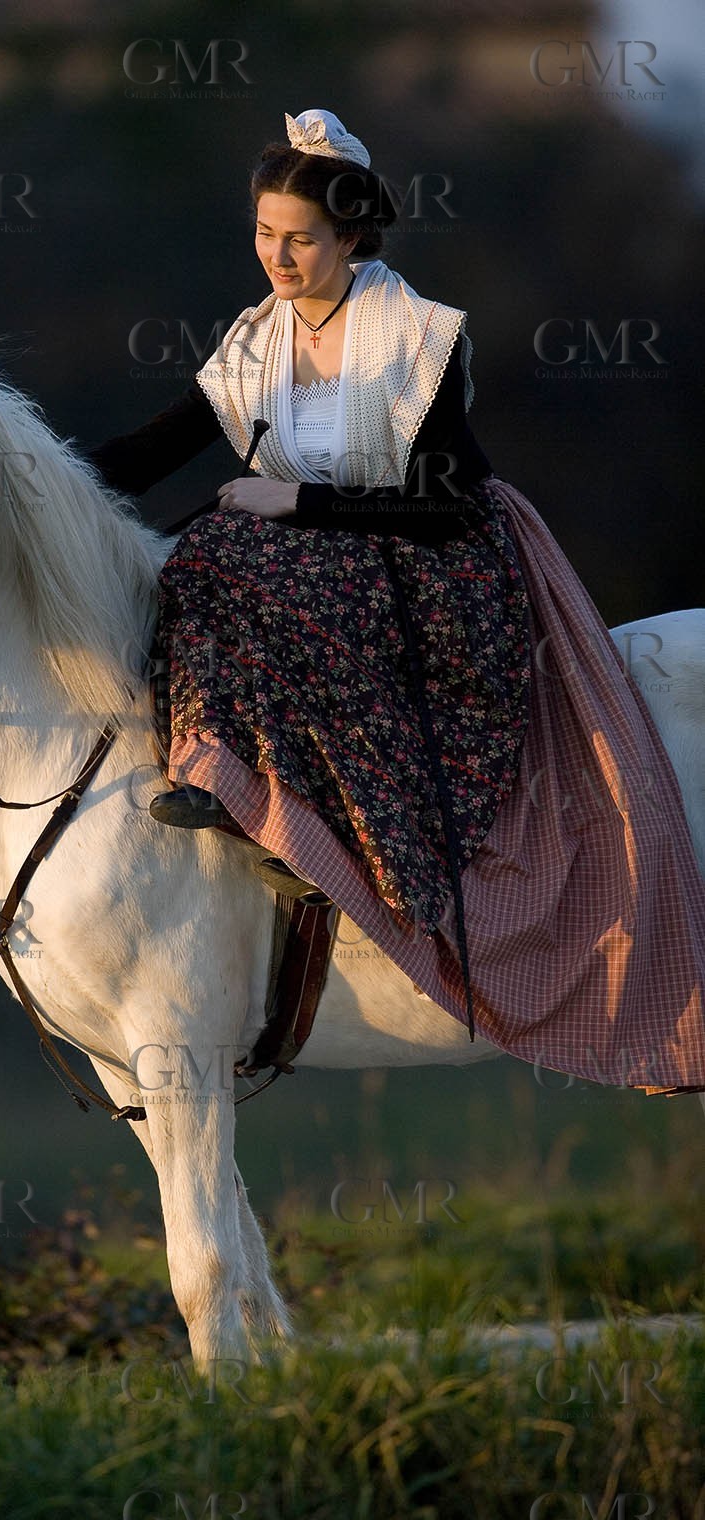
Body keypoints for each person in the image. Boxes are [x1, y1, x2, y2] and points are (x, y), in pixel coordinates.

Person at [82, 108, 705, 1093]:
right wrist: (23, 473)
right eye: (263, 233)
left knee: (233, 554)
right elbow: (152, 449)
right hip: (317, 556)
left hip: (438, 563)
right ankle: (232, 780)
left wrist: (297, 502)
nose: (276, 257)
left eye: (299, 239)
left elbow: (447, 501)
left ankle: (327, 817)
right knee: (200, 560)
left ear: (349, 238)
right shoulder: (257, 341)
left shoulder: (412, 335)